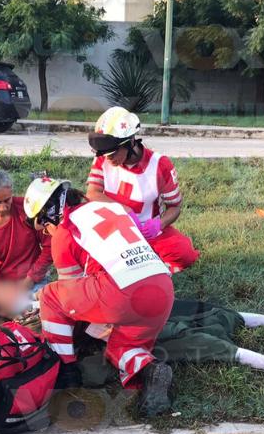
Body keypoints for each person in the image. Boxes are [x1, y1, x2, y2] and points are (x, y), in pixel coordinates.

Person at [27, 177, 176, 417]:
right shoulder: (113, 207)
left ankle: (65, 374)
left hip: (121, 292)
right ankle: (152, 370)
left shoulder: (64, 231)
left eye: (44, 226)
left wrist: (56, 324)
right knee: (120, 346)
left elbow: (68, 294)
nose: (47, 232)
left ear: (50, 215)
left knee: (50, 295)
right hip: (161, 287)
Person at [80, 299, 264, 388]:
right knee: (210, 345)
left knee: (213, 314)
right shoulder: (94, 345)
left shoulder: (79, 296)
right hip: (144, 340)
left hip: (140, 316)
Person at [86, 106, 199, 273]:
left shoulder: (160, 165)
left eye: (112, 154)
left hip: (149, 232)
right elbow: (92, 193)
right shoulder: (104, 159)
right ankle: (144, 263)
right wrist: (124, 209)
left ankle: (141, 263)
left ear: (130, 142)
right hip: (115, 230)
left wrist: (159, 224)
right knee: (96, 268)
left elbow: (175, 207)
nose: (108, 159)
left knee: (185, 253)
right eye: (105, 155)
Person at [0, 169, 52, 320]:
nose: (3, 207)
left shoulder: (27, 210)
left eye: (7, 200)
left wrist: (28, 282)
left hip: (34, 280)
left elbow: (49, 248)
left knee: (42, 311)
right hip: (5, 284)